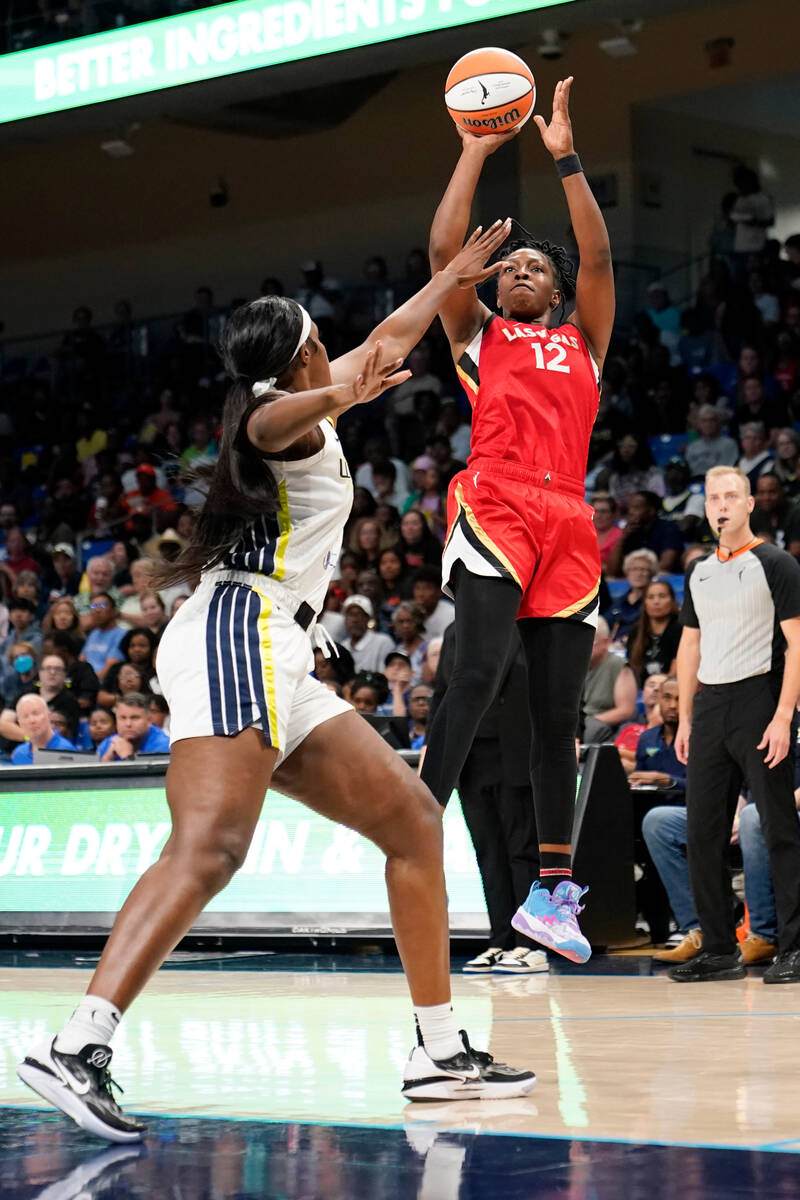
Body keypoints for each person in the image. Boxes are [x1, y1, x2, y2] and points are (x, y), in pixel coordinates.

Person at [18, 228, 535, 1142]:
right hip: (235, 631)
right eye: (322, 350)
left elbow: (389, 341)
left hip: (281, 653)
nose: (339, 356)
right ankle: (79, 1048)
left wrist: (449, 274)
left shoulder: (320, 402)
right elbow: (271, 417)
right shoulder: (271, 415)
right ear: (302, 352)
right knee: (214, 846)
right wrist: (342, 387)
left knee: (414, 819)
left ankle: (437, 1047)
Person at [423, 77, 615, 963]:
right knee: (479, 666)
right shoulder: (479, 337)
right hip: (498, 498)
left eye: (537, 266)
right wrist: (475, 146)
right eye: (511, 268)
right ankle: (418, 818)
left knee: (555, 720)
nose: (522, 270)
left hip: (568, 517)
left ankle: (550, 896)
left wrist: (566, 158)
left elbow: (600, 258)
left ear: (557, 289)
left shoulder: (585, 339)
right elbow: (441, 253)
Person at [672, 466, 800, 983]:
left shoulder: (777, 563)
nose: (722, 505)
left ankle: (794, 945)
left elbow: (797, 645)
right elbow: (688, 644)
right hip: (710, 705)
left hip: (760, 698)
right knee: (703, 832)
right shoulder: (698, 570)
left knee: (777, 828)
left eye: (731, 496)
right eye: (714, 498)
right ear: (707, 508)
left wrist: (784, 714)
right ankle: (721, 948)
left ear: (750, 505)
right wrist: (684, 716)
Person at [433, 623, 546, 975]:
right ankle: (500, 940)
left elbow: (552, 689)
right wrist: (436, 752)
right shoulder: (455, 632)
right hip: (470, 758)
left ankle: (532, 944)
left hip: (516, 753)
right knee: (489, 854)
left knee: (522, 851)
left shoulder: (531, 627)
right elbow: (443, 694)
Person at [581, 617, 638, 744]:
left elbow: (626, 710)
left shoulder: (618, 665)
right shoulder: (575, 666)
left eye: (589, 641)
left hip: (601, 727)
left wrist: (586, 722)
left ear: (606, 642)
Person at [626, 579, 681, 688]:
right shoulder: (636, 631)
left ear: (672, 600)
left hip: (670, 688)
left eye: (662, 596)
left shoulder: (680, 628)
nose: (656, 602)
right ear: (644, 603)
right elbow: (631, 669)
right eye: (650, 597)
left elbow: (677, 670)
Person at [612, 491, 683, 576]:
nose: (630, 512)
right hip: (634, 578)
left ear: (651, 511)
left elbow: (666, 565)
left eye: (636, 508)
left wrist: (641, 575)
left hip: (660, 579)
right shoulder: (629, 532)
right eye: (629, 508)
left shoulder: (668, 528)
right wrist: (622, 538)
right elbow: (612, 571)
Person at [97, 693, 170, 761]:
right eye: (122, 718)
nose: (128, 724)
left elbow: (156, 775)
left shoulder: (164, 746)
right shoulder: (108, 743)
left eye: (135, 718)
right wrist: (107, 758)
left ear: (149, 720)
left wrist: (128, 757)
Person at [10, 693, 76, 764]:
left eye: (36, 714)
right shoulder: (19, 753)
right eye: (25, 716)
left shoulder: (65, 751)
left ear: (49, 716)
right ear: (20, 724)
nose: (32, 720)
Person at [340, 595, 395, 673]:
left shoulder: (383, 642)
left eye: (359, 614)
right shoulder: (342, 647)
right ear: (345, 619)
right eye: (350, 615)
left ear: (368, 618)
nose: (355, 620)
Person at [80, 593, 126, 678]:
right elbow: (81, 660)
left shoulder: (122, 635)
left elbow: (109, 670)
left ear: (113, 611)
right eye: (93, 606)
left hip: (101, 683)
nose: (97, 610)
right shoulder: (93, 633)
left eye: (102, 605)